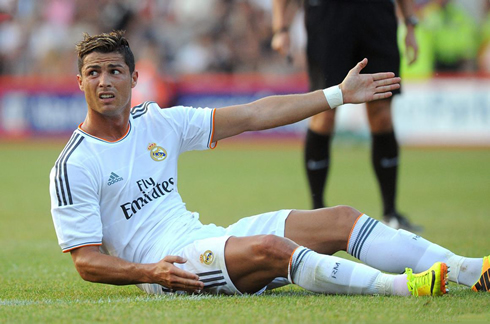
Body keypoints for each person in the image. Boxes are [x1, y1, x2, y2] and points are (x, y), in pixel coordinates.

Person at [49, 31, 489, 297]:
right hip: (168, 268)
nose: (104, 81)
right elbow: (86, 262)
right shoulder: (74, 163)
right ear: (80, 81)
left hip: (205, 237)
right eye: (93, 72)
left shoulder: (159, 122)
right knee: (272, 250)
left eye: (113, 71)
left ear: (133, 78)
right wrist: (150, 271)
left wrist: (336, 94)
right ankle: (405, 287)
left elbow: (256, 113)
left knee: (338, 219)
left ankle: (470, 270)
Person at [271, 0, 421, 231]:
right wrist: (281, 28)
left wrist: (410, 24)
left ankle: (391, 213)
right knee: (324, 110)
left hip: (376, 15)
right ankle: (317, 212)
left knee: (381, 112)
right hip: (328, 15)